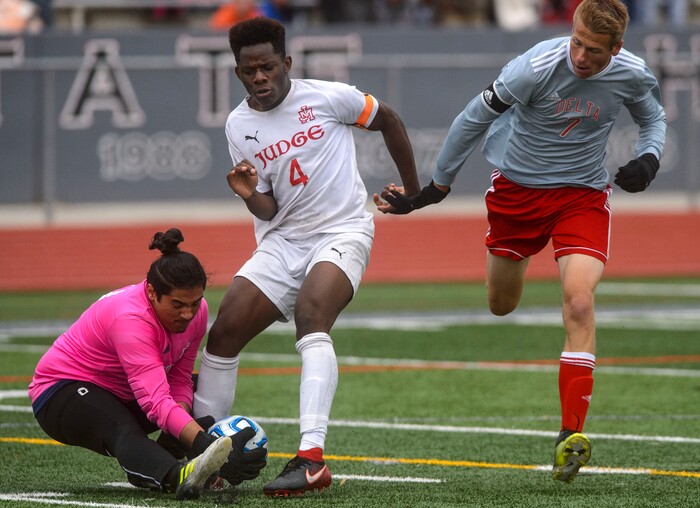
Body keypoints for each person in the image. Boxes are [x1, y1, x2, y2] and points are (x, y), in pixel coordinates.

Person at [376, 0, 665, 483]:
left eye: (593, 50)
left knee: (578, 303)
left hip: (582, 196)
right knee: (501, 304)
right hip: (517, 193)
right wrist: (434, 189)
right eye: (575, 42)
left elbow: (653, 119)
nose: (579, 56)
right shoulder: (533, 67)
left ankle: (569, 434)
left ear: (616, 49)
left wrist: (649, 159)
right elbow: (472, 118)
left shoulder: (632, 74)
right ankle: (515, 263)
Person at [192, 16, 420, 497]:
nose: (260, 77)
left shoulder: (328, 96)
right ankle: (200, 454)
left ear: (286, 63)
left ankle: (312, 459)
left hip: (342, 230)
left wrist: (414, 194)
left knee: (312, 315)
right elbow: (268, 205)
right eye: (250, 70)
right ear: (237, 72)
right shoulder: (239, 124)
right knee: (225, 331)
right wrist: (248, 194)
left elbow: (390, 121)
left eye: (268, 67)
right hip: (282, 240)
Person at [28, 228, 267, 499]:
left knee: (202, 388)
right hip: (60, 393)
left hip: (123, 392)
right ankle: (177, 475)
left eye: (195, 302)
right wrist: (203, 442)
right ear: (152, 292)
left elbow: (178, 378)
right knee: (119, 427)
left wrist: (189, 436)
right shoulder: (130, 320)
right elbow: (154, 403)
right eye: (177, 305)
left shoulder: (196, 312)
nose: (188, 313)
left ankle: (166, 455)